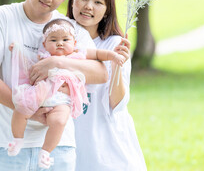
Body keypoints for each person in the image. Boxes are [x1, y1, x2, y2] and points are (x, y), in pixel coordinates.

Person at [0, 0, 108, 171]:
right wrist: (29, 109)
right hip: (5, 144)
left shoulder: (70, 29)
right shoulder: (0, 18)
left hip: (57, 149)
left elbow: (100, 73)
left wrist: (56, 62)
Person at [8, 18, 126, 169]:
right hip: (40, 93)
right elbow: (28, 66)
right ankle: (17, 138)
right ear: (44, 44)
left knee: (59, 122)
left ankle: (46, 151)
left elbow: (97, 54)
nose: (60, 43)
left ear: (74, 43)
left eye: (65, 39)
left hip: (61, 101)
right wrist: (18, 50)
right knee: (21, 109)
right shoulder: (43, 55)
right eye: (53, 39)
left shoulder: (78, 54)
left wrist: (113, 56)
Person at [67, 0, 147, 171]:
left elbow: (116, 103)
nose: (88, 6)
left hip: (106, 144)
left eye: (98, 2)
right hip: (71, 141)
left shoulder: (113, 44)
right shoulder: (58, 39)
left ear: (107, 10)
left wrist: (117, 64)